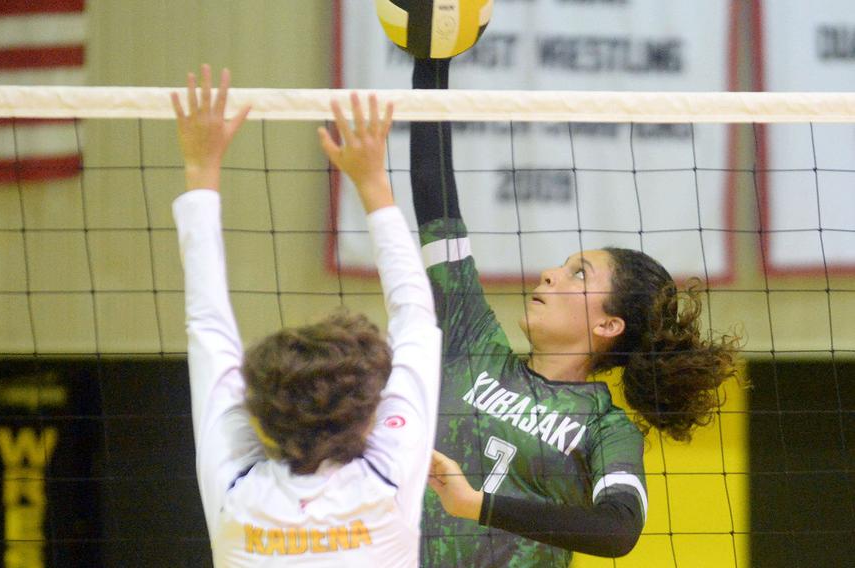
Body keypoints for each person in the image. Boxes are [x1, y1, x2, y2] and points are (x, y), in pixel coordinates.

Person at [410, 58, 740, 567]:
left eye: (578, 274)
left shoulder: (605, 428)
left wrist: (476, 505)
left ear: (608, 325)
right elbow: (435, 198)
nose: (549, 274)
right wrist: (433, 58)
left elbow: (618, 530)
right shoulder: (471, 341)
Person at [171, 64, 441, 567]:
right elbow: (417, 317)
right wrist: (373, 184)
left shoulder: (237, 492)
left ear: (257, 410)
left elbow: (206, 325)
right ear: (370, 411)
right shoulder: (387, 479)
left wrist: (200, 168)